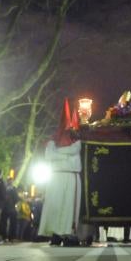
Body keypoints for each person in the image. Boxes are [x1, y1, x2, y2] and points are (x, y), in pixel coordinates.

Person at [38, 98, 82, 247]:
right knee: (55, 205)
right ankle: (56, 233)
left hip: (70, 176)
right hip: (57, 176)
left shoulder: (76, 140)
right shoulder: (53, 140)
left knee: (69, 206)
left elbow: (74, 151)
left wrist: (58, 152)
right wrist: (65, 154)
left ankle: (68, 233)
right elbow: (48, 155)